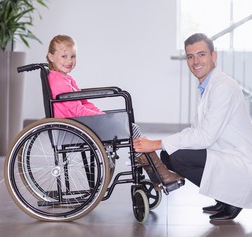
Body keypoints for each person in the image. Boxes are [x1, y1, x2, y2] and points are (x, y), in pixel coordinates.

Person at [133, 33, 252, 221]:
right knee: (168, 155)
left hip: (240, 158)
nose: (195, 61)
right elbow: (197, 130)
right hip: (223, 150)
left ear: (214, 56)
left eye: (201, 54)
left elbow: (205, 137)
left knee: (177, 157)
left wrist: (156, 143)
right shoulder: (208, 86)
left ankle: (233, 200)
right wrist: (161, 144)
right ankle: (224, 198)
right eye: (190, 56)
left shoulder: (223, 88)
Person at [46, 34, 183, 188]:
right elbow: (77, 109)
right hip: (74, 128)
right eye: (64, 56)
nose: (69, 61)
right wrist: (100, 119)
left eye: (73, 56)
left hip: (78, 124)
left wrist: (101, 116)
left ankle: (155, 171)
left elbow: (84, 103)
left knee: (131, 129)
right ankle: (159, 172)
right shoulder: (59, 81)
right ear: (51, 57)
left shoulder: (65, 78)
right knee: (131, 129)